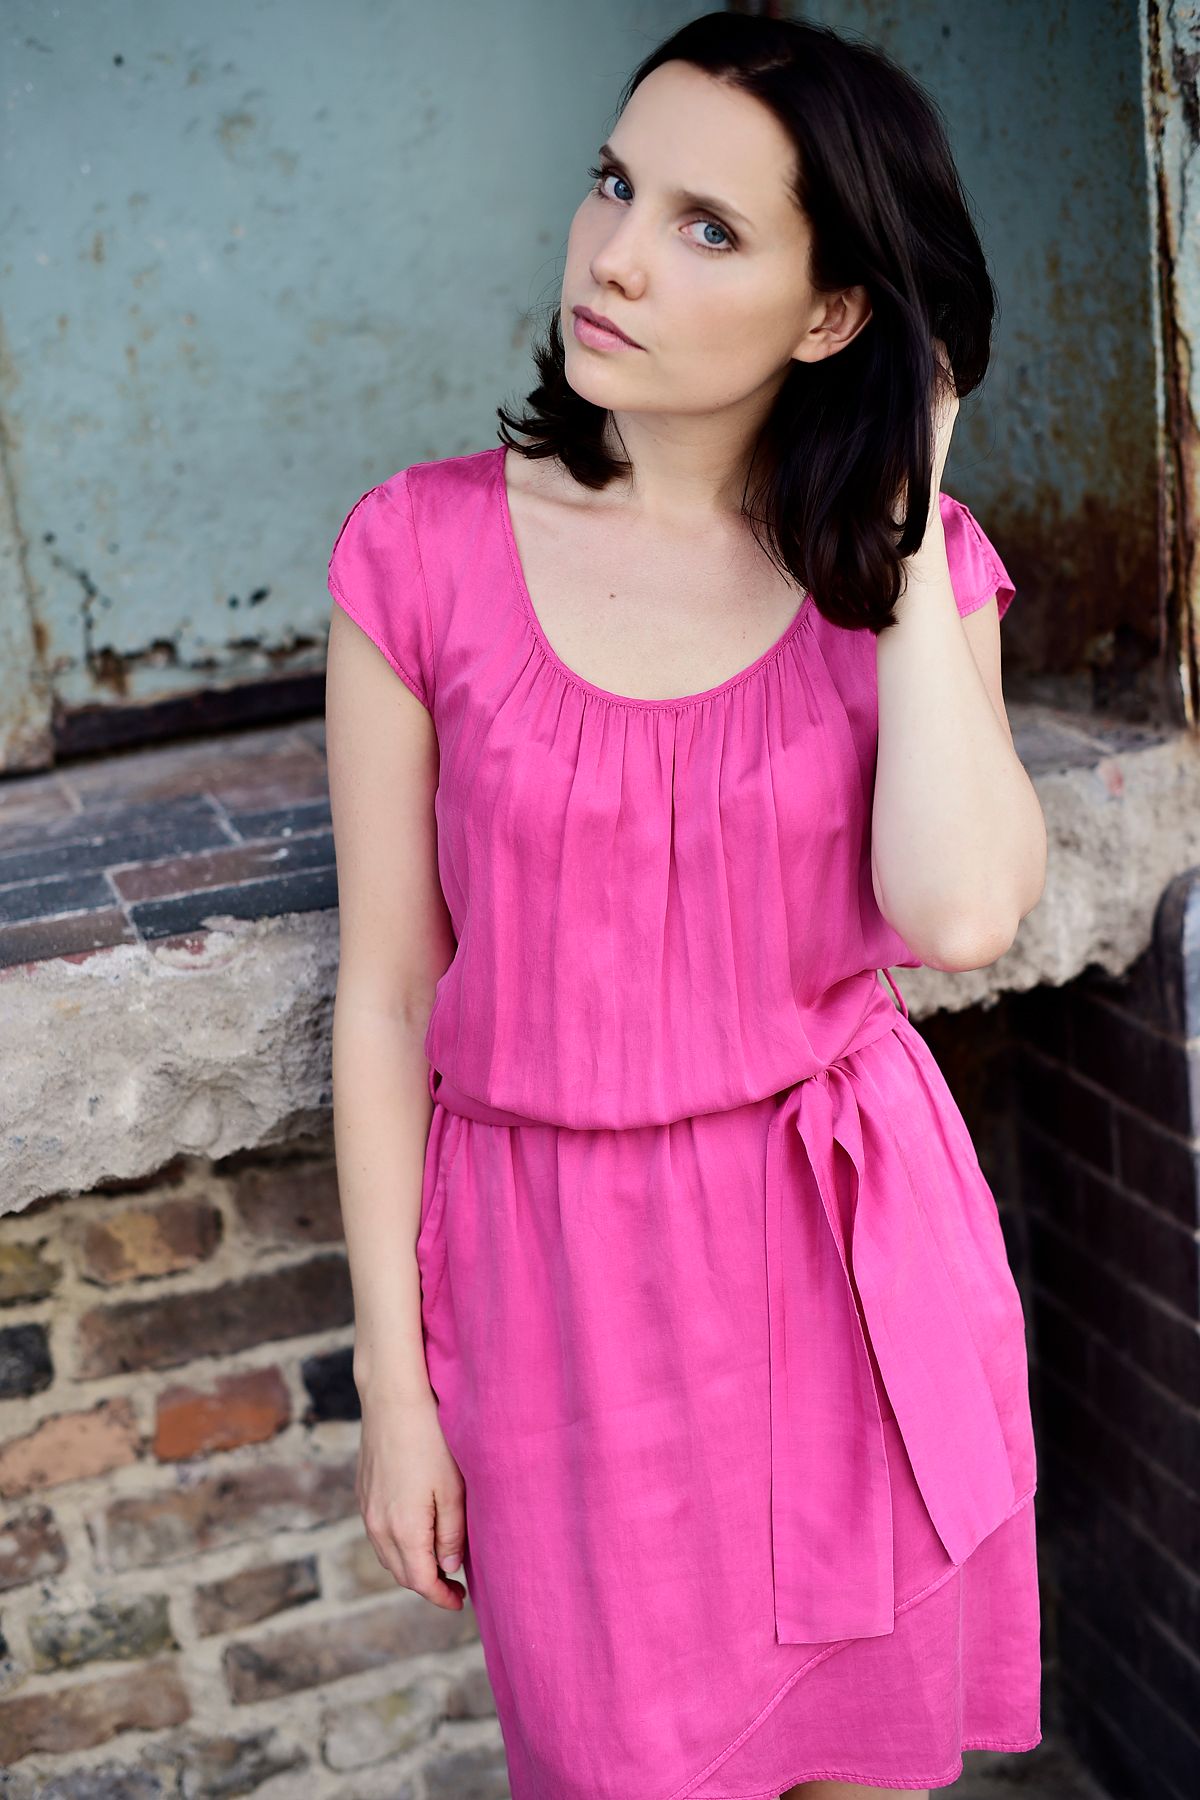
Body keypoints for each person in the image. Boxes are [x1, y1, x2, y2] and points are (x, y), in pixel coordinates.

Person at [323, 12, 1048, 1799]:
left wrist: (906, 529)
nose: (617, 255)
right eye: (615, 185)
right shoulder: (418, 556)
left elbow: (961, 912)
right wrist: (397, 1390)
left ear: (833, 312)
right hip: (563, 1309)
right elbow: (392, 998)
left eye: (708, 226)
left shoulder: (908, 575)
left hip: (853, 1284)